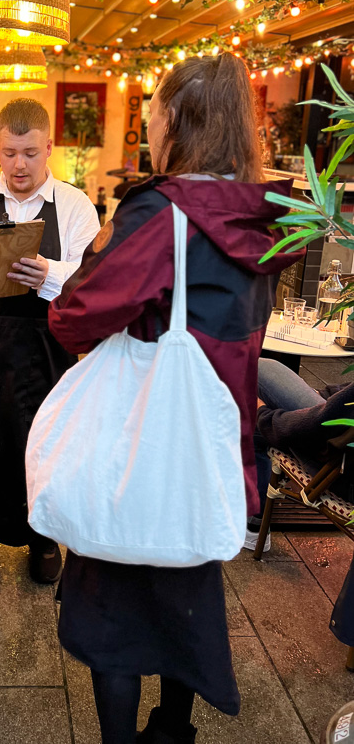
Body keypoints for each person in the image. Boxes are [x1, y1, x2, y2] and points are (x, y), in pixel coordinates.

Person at [47, 53, 301, 744]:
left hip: (143, 445)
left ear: (176, 120)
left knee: (117, 619)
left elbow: (73, 315)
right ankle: (172, 730)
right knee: (184, 603)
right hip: (216, 444)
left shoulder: (162, 214)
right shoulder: (268, 218)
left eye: (154, 113)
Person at [0, 98, 99, 585]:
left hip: (45, 344)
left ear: (49, 147)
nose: (19, 165)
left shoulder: (73, 205)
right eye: (9, 153)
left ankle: (44, 538)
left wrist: (48, 273)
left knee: (43, 441)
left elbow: (91, 276)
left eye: (29, 152)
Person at [248, 357, 354, 551]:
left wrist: (263, 414)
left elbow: (318, 425)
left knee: (252, 368)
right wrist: (328, 397)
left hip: (338, 465)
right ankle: (253, 522)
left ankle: (253, 519)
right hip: (339, 441)